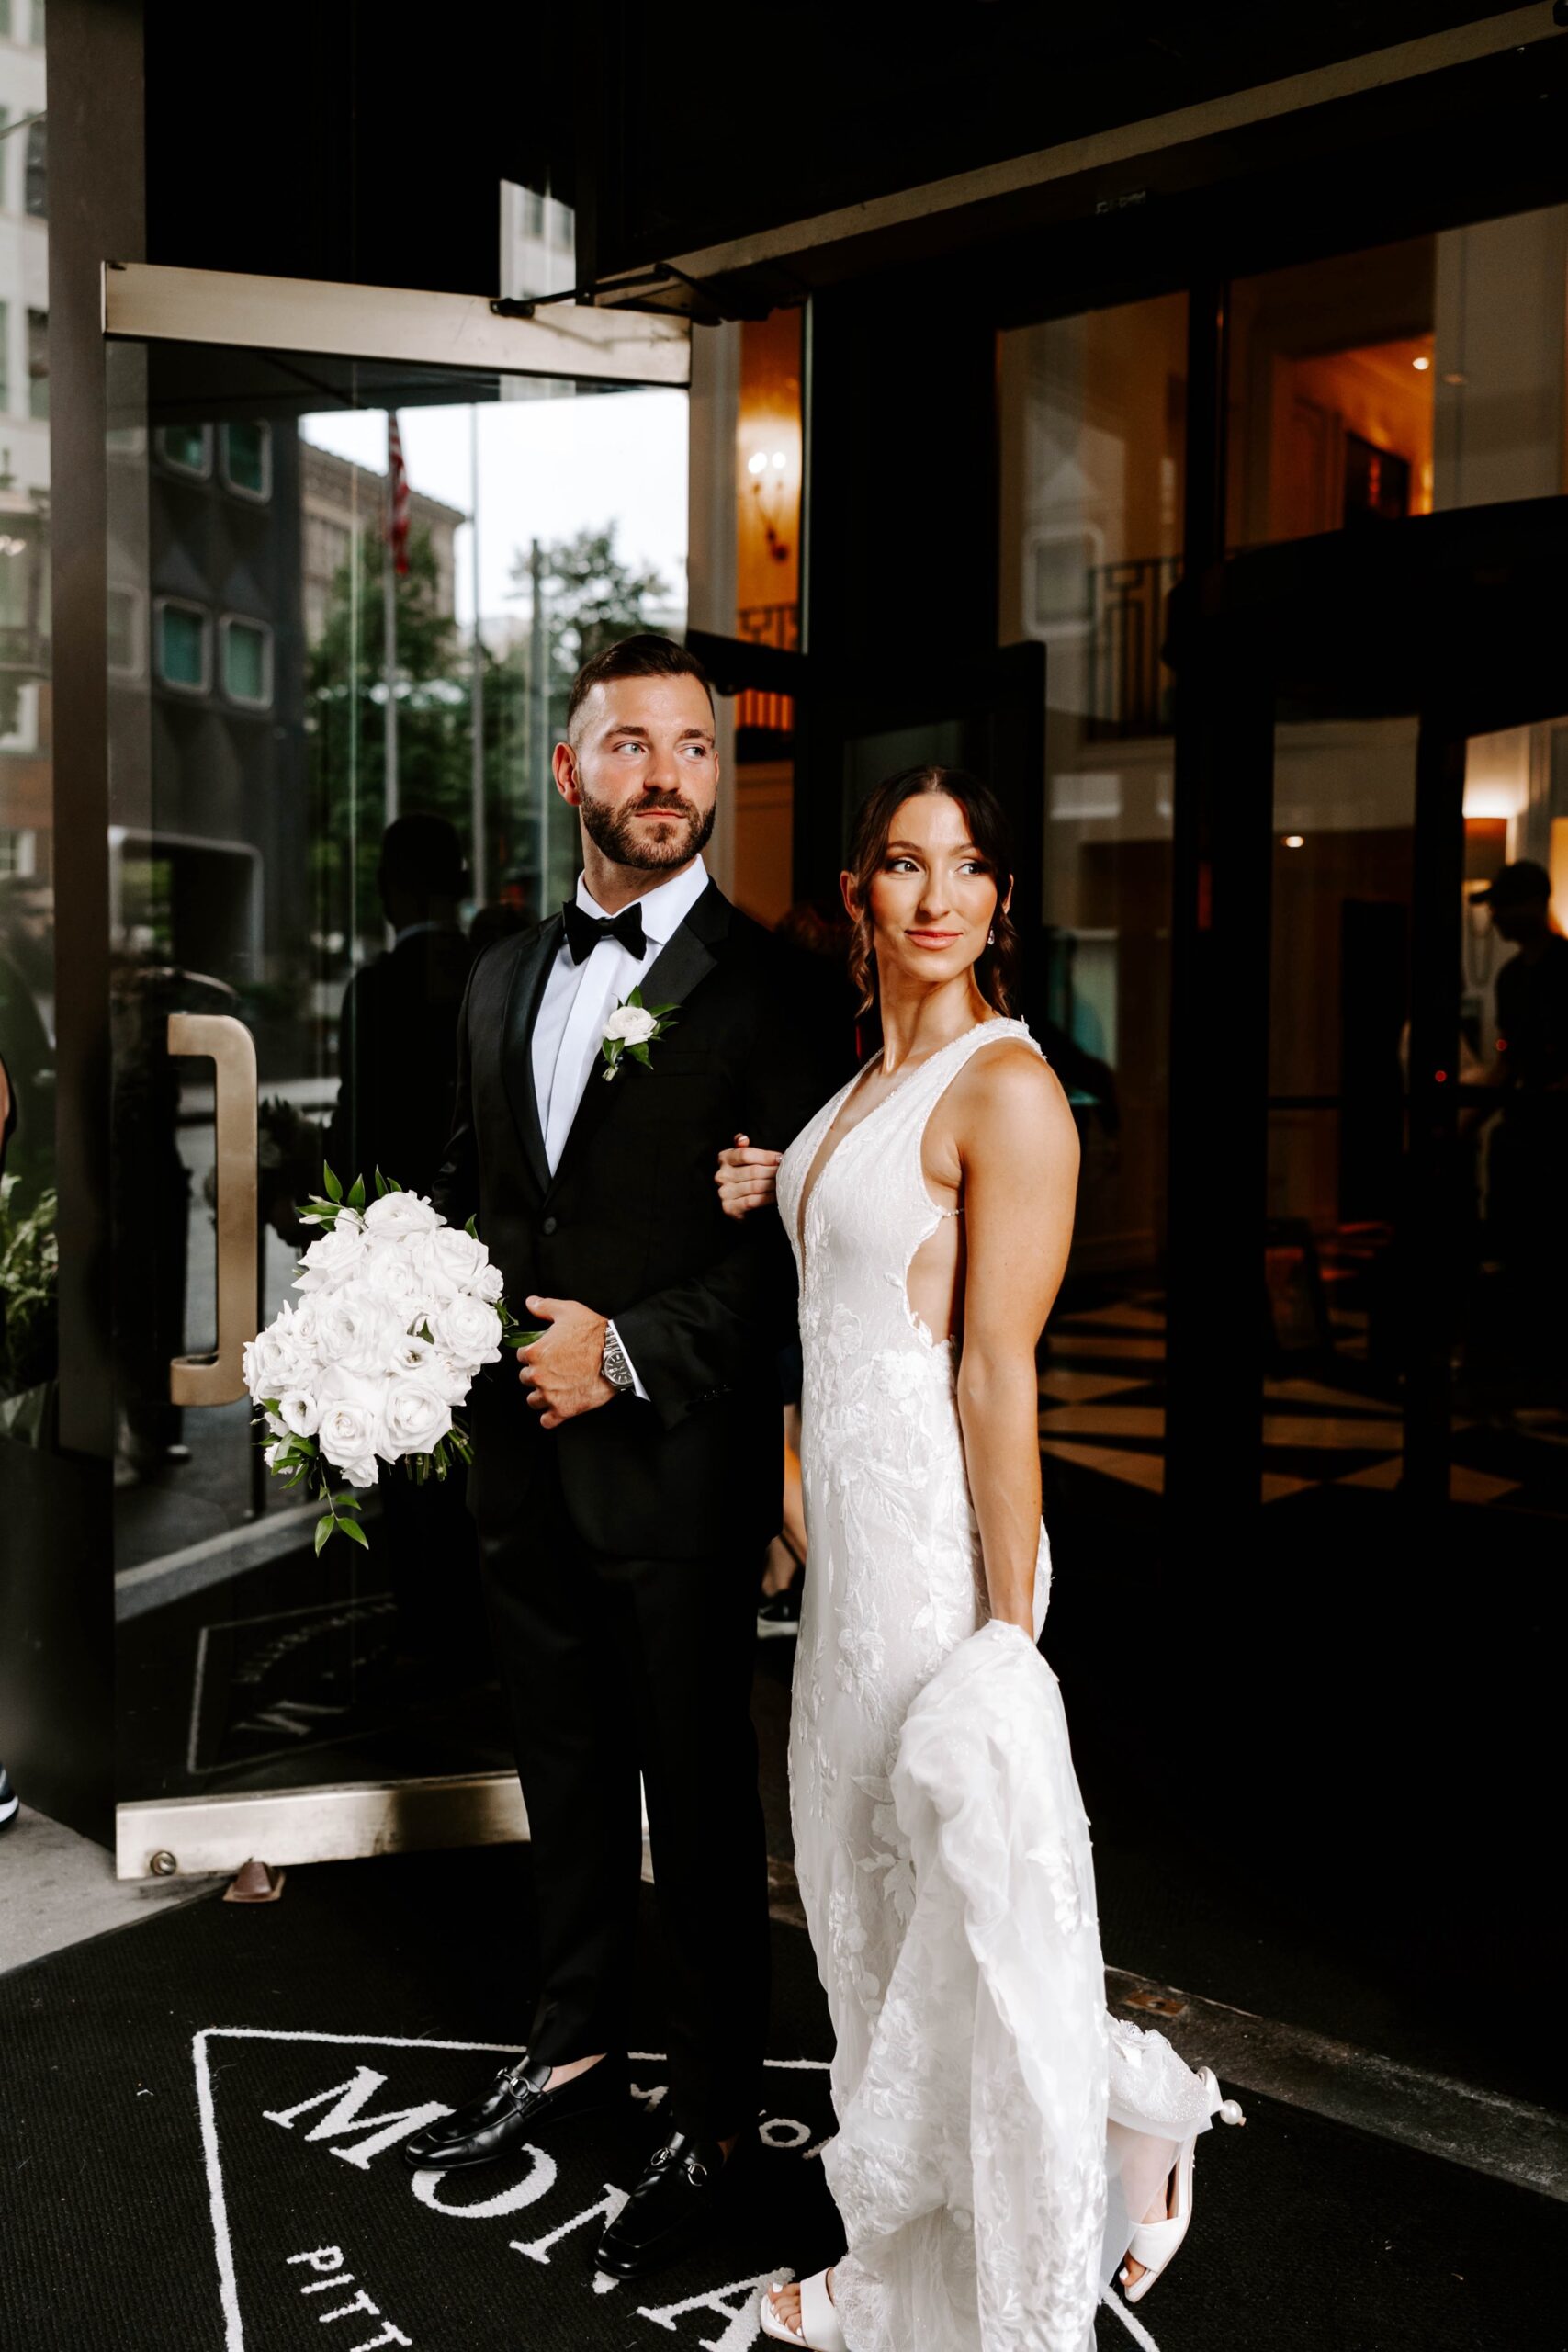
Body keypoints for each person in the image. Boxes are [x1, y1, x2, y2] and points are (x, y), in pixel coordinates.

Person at [715, 766, 1243, 2351]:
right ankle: (1126, 2135)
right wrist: (774, 1182)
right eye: (900, 864)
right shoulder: (857, 1086)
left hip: (942, 1572)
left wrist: (1012, 1630)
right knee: (875, 1910)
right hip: (845, 1577)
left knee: (952, 1916)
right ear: (858, 894)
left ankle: (910, 2282)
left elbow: (994, 1370)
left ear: (1002, 899)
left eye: (965, 867)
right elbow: (839, 1266)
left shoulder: (1009, 1092)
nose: (934, 894)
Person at [413, 634, 842, 2280]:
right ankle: (575, 2034)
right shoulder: (501, 976)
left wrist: (633, 1350)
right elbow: (478, 1189)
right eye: (630, 744)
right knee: (568, 1772)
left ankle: (715, 2096)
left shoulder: (782, 993)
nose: (667, 773)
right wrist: (390, 1308)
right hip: (522, 1473)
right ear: (568, 770)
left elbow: (797, 1255)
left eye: (693, 748)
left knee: (697, 1795)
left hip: (675, 1475)